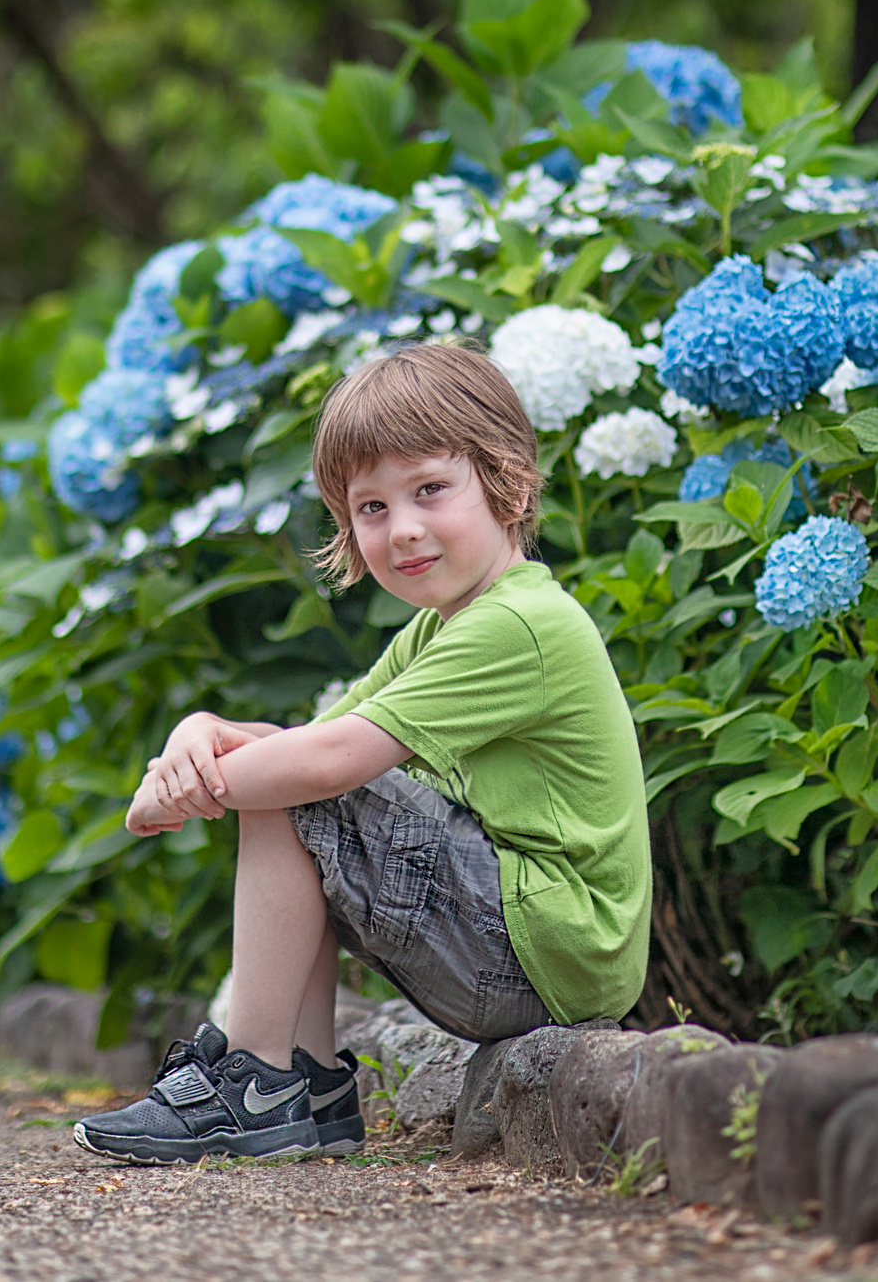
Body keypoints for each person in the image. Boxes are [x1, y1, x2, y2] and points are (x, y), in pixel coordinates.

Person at [72, 340, 652, 1164]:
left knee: (303, 787)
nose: (403, 528)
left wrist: (173, 795)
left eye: (428, 490)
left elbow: (321, 766)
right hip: (535, 948)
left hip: (547, 949)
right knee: (293, 782)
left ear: (506, 481)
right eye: (371, 508)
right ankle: (303, 1086)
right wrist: (195, 732)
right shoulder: (444, 623)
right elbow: (303, 747)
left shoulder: (519, 624)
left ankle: (257, 1084)